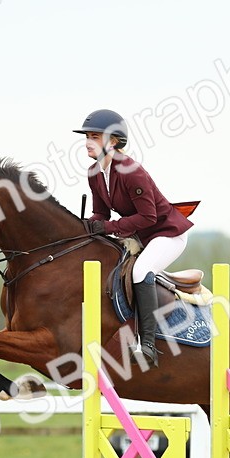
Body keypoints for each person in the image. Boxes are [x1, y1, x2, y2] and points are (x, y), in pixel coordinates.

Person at [75, 109, 193, 368]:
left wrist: (108, 227)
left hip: (166, 233)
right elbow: (101, 214)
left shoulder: (131, 171)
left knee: (140, 272)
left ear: (113, 141)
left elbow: (149, 217)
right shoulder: (94, 172)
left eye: (94, 137)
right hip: (139, 235)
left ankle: (147, 346)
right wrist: (83, 226)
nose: (87, 143)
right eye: (87, 137)